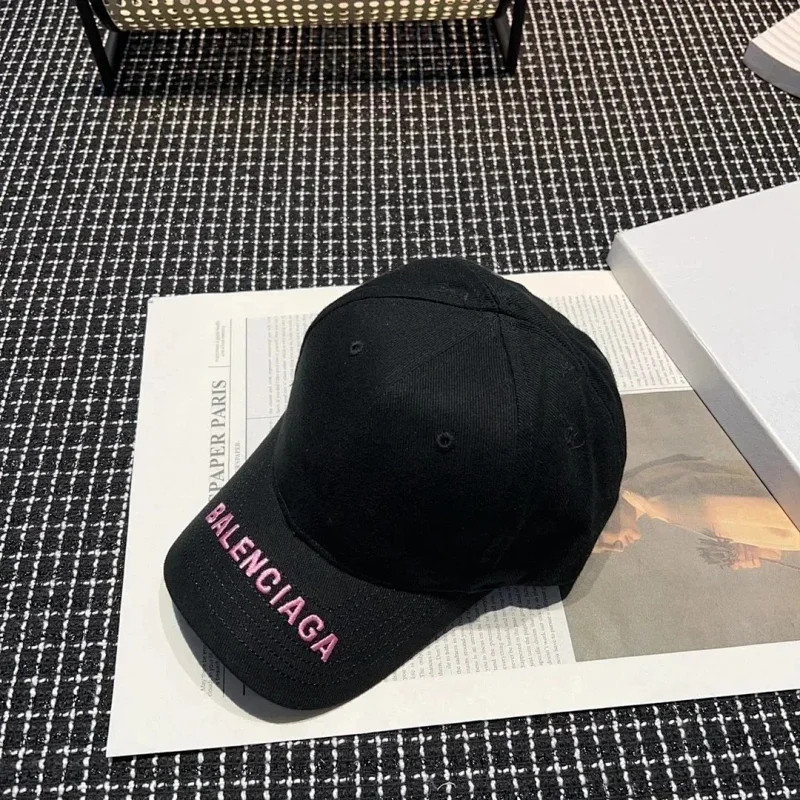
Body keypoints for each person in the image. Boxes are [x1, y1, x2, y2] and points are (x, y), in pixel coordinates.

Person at [594, 455, 800, 570]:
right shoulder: (642, 482)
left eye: (601, 541)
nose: (617, 549)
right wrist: (755, 549)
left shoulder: (666, 505)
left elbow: (775, 513)